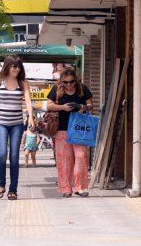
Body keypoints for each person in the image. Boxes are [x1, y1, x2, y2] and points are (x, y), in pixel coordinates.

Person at [0, 55, 35, 200]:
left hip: (17, 124)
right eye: (14, 66)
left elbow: (28, 102)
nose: (17, 69)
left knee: (14, 157)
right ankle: (1, 185)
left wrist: (31, 117)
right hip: (1, 123)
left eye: (19, 66)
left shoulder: (23, 83)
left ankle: (12, 189)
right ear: (7, 66)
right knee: (1, 155)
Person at [46, 68, 94, 198]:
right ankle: (66, 189)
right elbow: (49, 105)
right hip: (62, 129)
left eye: (71, 82)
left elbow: (90, 105)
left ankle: (80, 187)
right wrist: (63, 107)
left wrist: (82, 107)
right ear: (61, 81)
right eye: (65, 82)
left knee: (80, 158)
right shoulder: (57, 89)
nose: (69, 85)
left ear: (76, 80)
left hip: (79, 128)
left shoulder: (82, 88)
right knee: (64, 162)